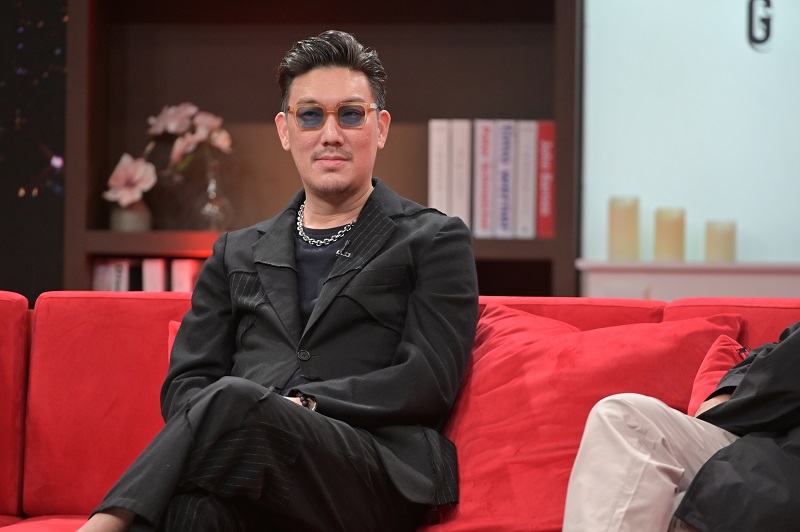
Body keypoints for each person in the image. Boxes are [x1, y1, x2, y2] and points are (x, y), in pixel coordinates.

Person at [78, 30, 478, 532]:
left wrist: (304, 404)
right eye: (310, 115)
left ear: (380, 128)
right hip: (252, 463)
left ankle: (105, 523)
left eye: (350, 114)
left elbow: (427, 379)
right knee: (192, 512)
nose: (330, 134)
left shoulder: (433, 239)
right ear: (285, 130)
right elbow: (184, 385)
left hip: (367, 470)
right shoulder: (235, 252)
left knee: (235, 397)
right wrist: (255, 414)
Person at [562, 321, 800, 531]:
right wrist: (728, 393)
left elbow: (773, 389)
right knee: (623, 415)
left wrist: (731, 403)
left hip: (782, 465)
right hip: (758, 444)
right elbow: (772, 362)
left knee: (671, 506)